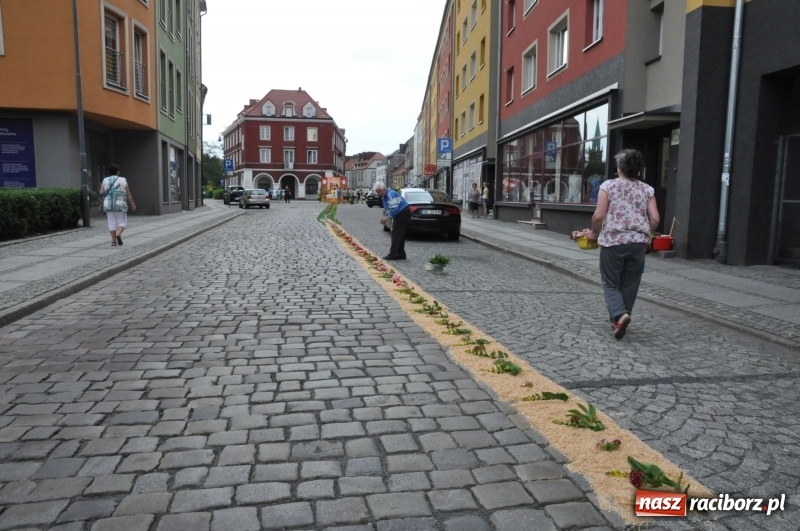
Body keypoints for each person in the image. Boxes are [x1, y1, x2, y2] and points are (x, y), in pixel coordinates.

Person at [588, 149, 660, 340]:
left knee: (610, 283)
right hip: (638, 244)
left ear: (619, 168)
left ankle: (620, 315)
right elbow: (655, 218)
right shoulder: (647, 190)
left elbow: (599, 215)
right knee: (630, 284)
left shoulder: (608, 186)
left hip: (613, 241)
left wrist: (594, 234)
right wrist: (647, 234)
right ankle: (619, 319)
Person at [99, 164, 136, 246]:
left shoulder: (105, 180)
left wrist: (101, 185)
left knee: (111, 222)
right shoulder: (123, 180)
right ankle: (118, 233)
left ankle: (113, 241)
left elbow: (101, 192)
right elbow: (128, 194)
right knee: (122, 221)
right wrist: (132, 204)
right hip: (120, 203)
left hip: (108, 204)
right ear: (117, 171)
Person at [374, 181, 410, 260]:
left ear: (384, 189)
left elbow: (395, 209)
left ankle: (392, 254)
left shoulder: (391, 195)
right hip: (401, 212)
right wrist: (385, 216)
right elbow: (388, 208)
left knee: (395, 233)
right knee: (400, 234)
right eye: (377, 192)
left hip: (403, 212)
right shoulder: (384, 196)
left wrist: (386, 218)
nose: (379, 194)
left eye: (380, 191)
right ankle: (401, 254)